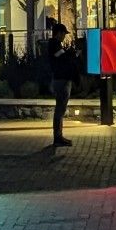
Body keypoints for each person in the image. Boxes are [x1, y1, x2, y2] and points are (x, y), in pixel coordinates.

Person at [45, 17, 76, 148]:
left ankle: (59, 136)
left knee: (60, 109)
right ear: (58, 33)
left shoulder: (56, 45)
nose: (64, 36)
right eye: (63, 33)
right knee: (60, 109)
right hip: (61, 79)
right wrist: (69, 52)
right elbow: (58, 57)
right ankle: (58, 137)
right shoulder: (54, 44)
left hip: (62, 78)